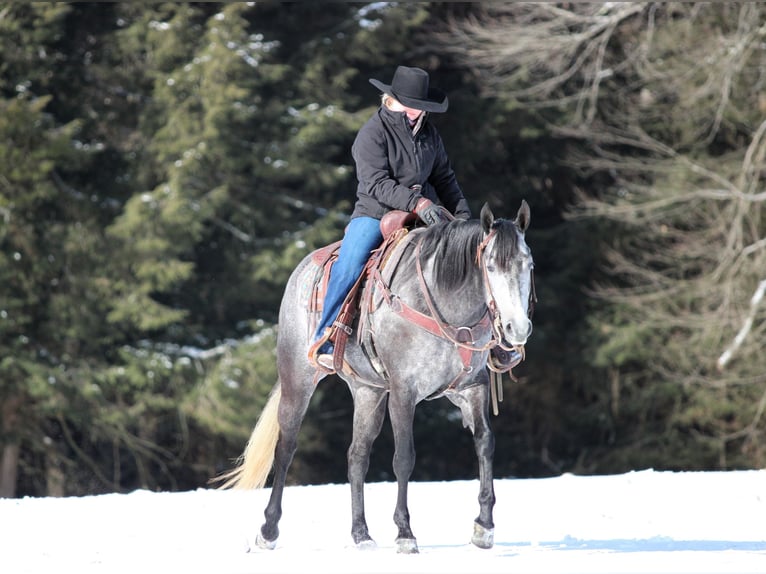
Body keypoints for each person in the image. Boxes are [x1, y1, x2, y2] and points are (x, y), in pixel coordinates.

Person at [308, 65, 472, 371]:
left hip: (419, 214)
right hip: (375, 212)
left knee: (463, 258)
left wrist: (462, 217)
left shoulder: (430, 136)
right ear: (391, 100)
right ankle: (326, 334)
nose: (414, 111)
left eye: (420, 107)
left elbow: (445, 178)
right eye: (409, 105)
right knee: (351, 261)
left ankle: (476, 341)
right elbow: (374, 183)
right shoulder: (373, 132)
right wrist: (418, 202)